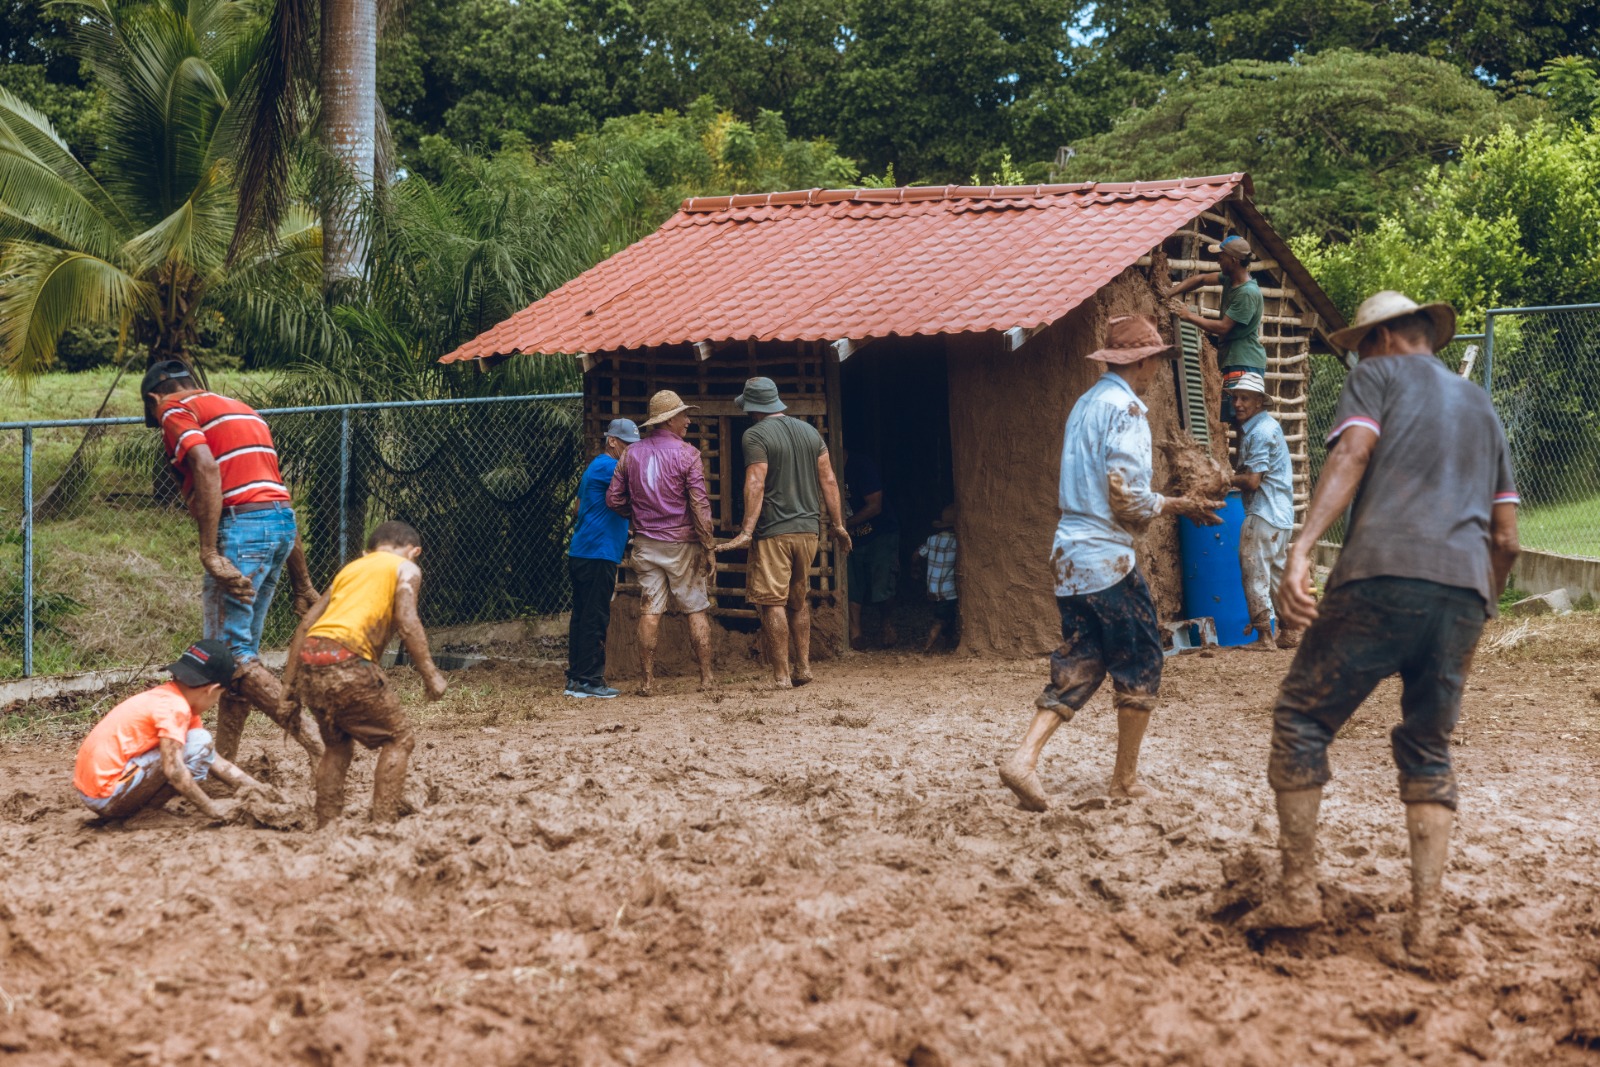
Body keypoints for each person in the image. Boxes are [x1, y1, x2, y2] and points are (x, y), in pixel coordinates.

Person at [1245, 292, 1520, 960]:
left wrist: (1303, 548)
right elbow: (1507, 539)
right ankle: (1424, 928)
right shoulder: (1480, 405)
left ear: (1387, 338)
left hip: (1379, 576)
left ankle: (1298, 891)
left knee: (1302, 718)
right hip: (1463, 590)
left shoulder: (1378, 376)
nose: (1357, 361)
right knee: (1428, 747)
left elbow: (1352, 453)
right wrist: (1479, 609)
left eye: (1361, 346)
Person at [998, 315, 1224, 811]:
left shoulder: (1085, 404)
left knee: (1082, 660)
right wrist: (1178, 504)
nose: (1156, 370)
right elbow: (1127, 497)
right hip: (1106, 557)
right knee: (1142, 659)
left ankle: (1023, 759)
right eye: (1155, 361)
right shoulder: (1126, 410)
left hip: (1069, 555)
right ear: (1141, 361)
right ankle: (1125, 780)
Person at [143, 361, 322, 769]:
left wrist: (209, 552)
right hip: (279, 526)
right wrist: (302, 584)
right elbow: (276, 496)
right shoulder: (243, 411)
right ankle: (224, 763)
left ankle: (318, 745)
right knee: (238, 660)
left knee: (232, 657)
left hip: (241, 530)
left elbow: (205, 467)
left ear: (155, 398)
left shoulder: (173, 407)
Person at [279, 521, 448, 827]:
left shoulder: (350, 570)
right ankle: (383, 824)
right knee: (399, 738)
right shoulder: (405, 567)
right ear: (414, 551)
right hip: (349, 660)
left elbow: (305, 625)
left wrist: (288, 688)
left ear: (367, 552)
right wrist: (431, 675)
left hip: (311, 662)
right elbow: (407, 621)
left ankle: (327, 825)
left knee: (337, 746)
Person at [717, 377, 851, 688]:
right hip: (808, 531)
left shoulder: (754, 435)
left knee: (772, 602)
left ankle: (781, 676)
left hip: (773, 532)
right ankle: (803, 667)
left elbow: (755, 482)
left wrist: (747, 530)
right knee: (798, 601)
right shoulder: (810, 432)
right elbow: (830, 480)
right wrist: (838, 525)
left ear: (753, 408)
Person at [73, 640, 275, 820]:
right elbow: (174, 769)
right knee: (199, 741)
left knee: (198, 742)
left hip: (97, 792)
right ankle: (146, 814)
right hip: (106, 796)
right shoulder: (175, 708)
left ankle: (146, 810)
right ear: (212, 690)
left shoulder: (172, 699)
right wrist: (212, 808)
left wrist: (259, 789)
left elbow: (213, 759)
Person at [606, 391, 717, 694]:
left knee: (650, 610)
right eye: (683, 415)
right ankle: (706, 678)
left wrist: (637, 515)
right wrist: (708, 545)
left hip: (646, 543)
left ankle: (647, 681)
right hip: (683, 544)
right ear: (669, 420)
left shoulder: (630, 454)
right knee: (695, 608)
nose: (688, 420)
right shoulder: (688, 454)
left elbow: (613, 498)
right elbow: (699, 504)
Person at [565, 418, 639, 699]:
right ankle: (590, 681)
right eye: (627, 445)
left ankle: (576, 679)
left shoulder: (595, 467)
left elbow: (578, 507)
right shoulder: (611, 467)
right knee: (596, 616)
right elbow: (638, 492)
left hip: (582, 551)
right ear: (612, 441)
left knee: (582, 616)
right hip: (598, 552)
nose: (631, 450)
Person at [1227, 372, 1298, 650]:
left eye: (1245, 398)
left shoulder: (1258, 433)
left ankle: (1264, 637)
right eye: (1235, 398)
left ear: (1259, 401)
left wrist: (1224, 478)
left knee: (1254, 571)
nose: (1238, 404)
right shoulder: (1270, 426)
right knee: (1277, 576)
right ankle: (1289, 632)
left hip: (1263, 513)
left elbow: (1253, 481)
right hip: (1281, 516)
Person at [1163, 235, 1267, 422]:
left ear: (1234, 260)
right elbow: (1201, 279)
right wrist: (1170, 292)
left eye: (1221, 257)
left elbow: (1223, 327)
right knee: (1235, 417)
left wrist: (1189, 316)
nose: (1218, 260)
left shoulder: (1246, 293)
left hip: (1244, 362)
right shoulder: (1230, 279)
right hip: (1234, 358)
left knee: (1242, 418)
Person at [843, 449, 900, 648]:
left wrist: (844, 524)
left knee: (883, 583)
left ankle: (886, 624)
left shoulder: (861, 466)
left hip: (879, 533)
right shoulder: (823, 470)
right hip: (850, 537)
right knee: (851, 583)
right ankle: (855, 632)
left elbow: (875, 506)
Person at [915, 505, 959, 654]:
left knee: (949, 616)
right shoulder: (957, 542)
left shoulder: (932, 540)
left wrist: (915, 568)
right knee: (940, 619)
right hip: (949, 591)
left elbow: (917, 555)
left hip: (932, 589)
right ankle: (927, 647)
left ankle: (947, 643)